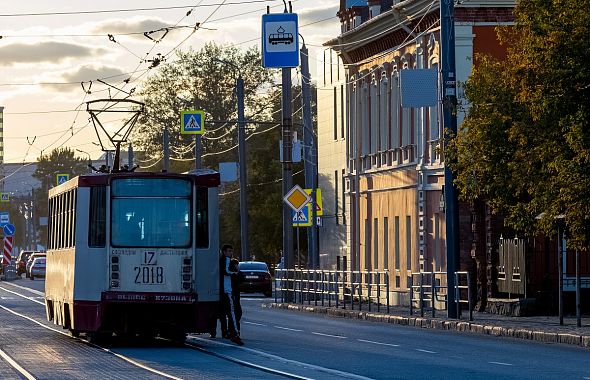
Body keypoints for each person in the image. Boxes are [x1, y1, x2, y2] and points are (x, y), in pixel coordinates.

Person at [215, 244, 243, 345]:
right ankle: (235, 334)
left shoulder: (220, 260)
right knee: (232, 313)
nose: (231, 253)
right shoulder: (226, 260)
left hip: (223, 290)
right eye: (229, 251)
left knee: (226, 313)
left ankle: (228, 332)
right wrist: (235, 273)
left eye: (232, 251)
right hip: (227, 290)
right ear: (224, 252)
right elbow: (226, 271)